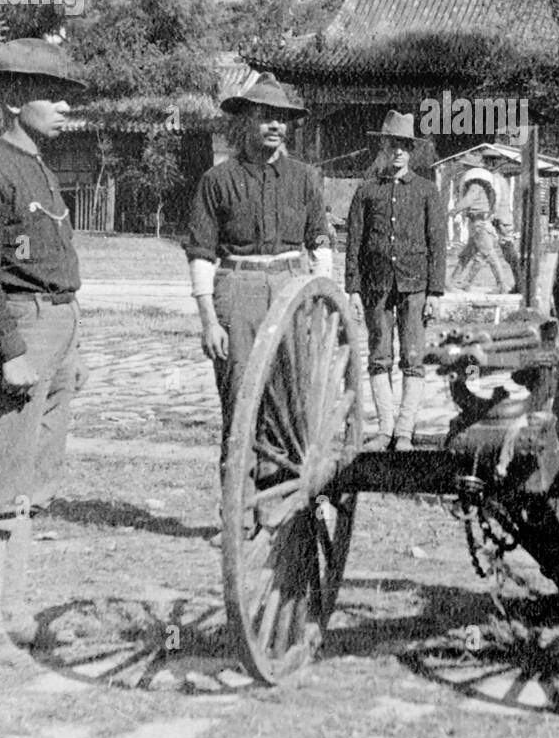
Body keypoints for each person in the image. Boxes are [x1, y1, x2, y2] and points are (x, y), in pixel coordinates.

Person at [0, 38, 88, 666]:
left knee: (30, 484)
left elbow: (55, 265)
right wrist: (9, 351)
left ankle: (12, 612)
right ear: (11, 98)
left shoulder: (39, 166)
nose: (65, 105)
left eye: (67, 94)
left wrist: (72, 348)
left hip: (56, 332)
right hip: (17, 334)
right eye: (51, 93)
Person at [185, 74, 331, 484]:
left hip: (292, 285)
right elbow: (200, 252)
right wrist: (210, 320)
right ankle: (238, 511)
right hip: (238, 290)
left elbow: (320, 242)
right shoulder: (218, 180)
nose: (275, 126)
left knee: (289, 399)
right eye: (265, 116)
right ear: (245, 120)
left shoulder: (304, 178)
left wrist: (321, 299)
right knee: (240, 400)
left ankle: (282, 503)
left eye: (281, 118)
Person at [345, 111, 447, 450]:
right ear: (384, 147)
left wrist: (434, 291)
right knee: (379, 356)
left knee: (414, 357)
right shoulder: (366, 192)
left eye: (405, 146)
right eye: (393, 146)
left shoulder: (426, 191)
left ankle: (405, 431)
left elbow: (437, 244)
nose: (399, 152)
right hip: (376, 287)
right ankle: (385, 429)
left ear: (412, 150)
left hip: (415, 287)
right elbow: (355, 244)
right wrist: (354, 289)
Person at [451, 152, 515, 292]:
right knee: (467, 254)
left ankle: (501, 284)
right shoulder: (483, 178)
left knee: (488, 254)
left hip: (479, 221)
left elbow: (470, 198)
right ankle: (454, 282)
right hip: (478, 221)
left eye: (464, 165)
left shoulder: (475, 180)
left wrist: (454, 210)